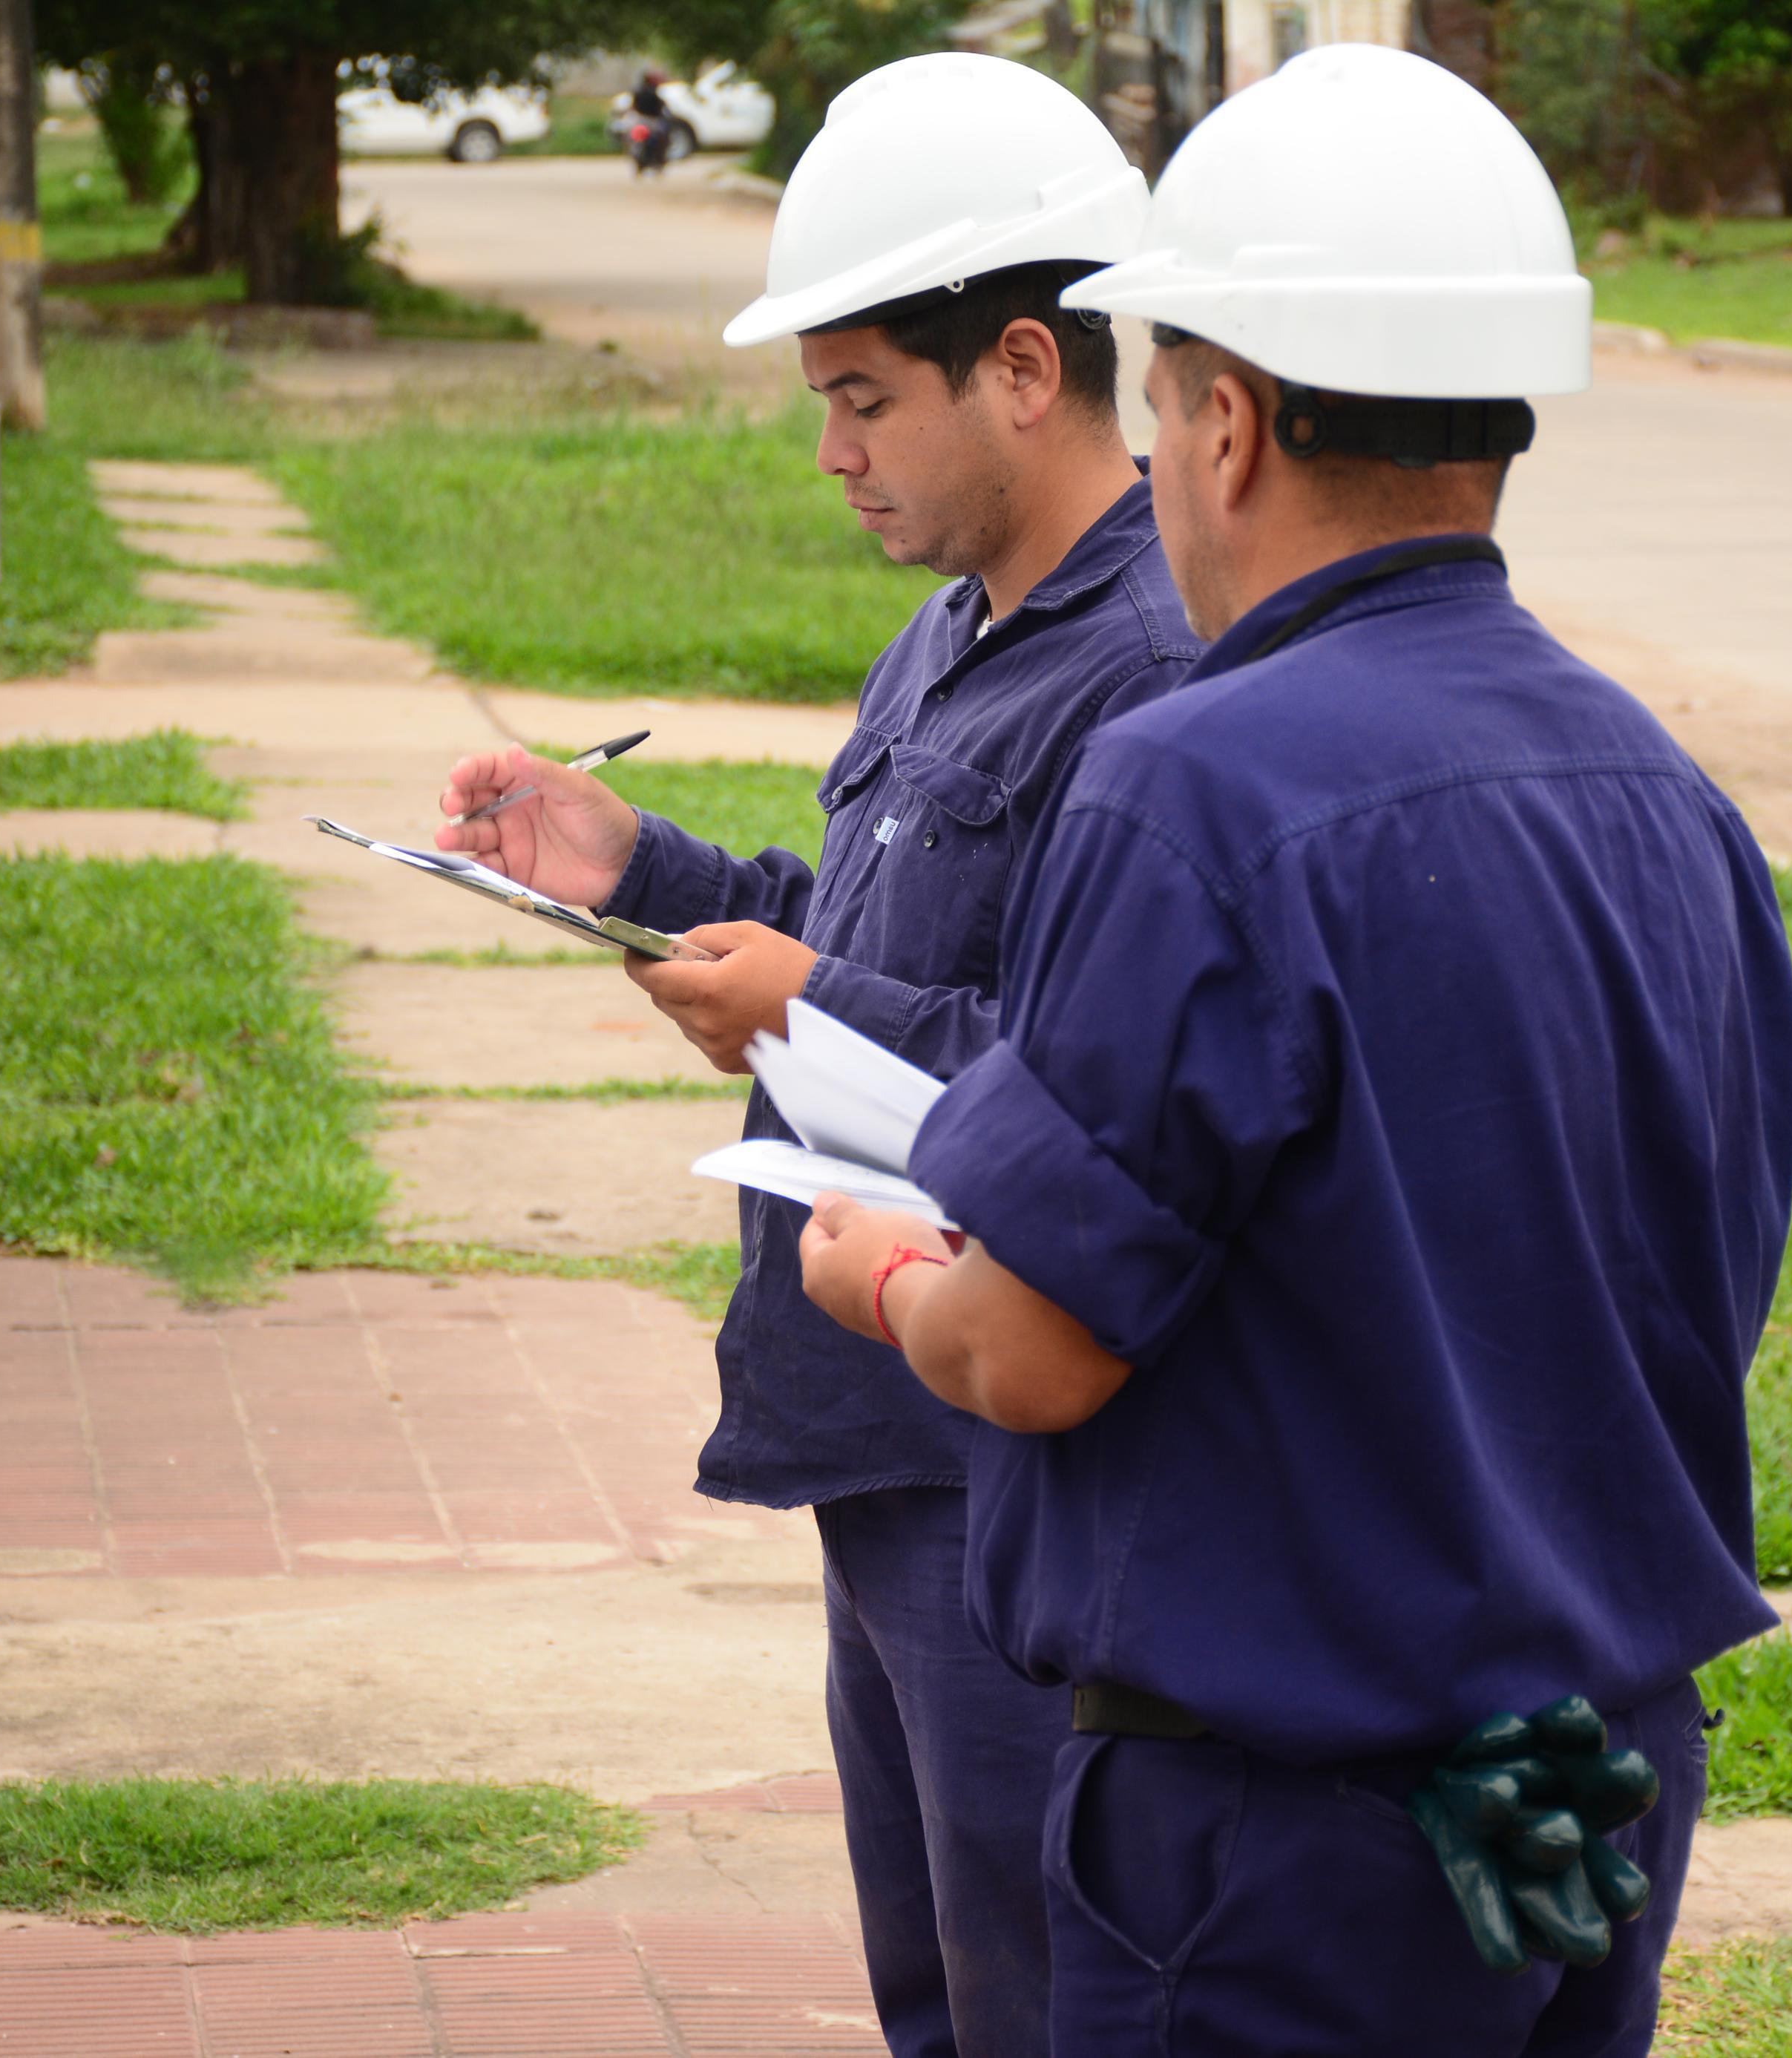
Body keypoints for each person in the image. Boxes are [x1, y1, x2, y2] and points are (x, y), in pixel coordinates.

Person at [794, 45, 1792, 2058]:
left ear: (1231, 424)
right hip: (1586, 1777)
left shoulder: (1193, 790)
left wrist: (883, 1272)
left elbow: (1037, 1344)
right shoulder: (1665, 795)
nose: (1153, 462)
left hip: (1282, 1825)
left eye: (1158, 409)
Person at [435, 53, 1203, 2058]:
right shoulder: (955, 625)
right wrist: (642, 870)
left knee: (1041, 2005)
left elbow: (1091, 1078)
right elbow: (875, 938)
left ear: (1024, 372)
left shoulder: (1149, 679)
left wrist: (798, 1006)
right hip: (875, 1439)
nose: (835, 452)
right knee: (938, 2000)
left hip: (1009, 1464)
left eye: (866, 399)